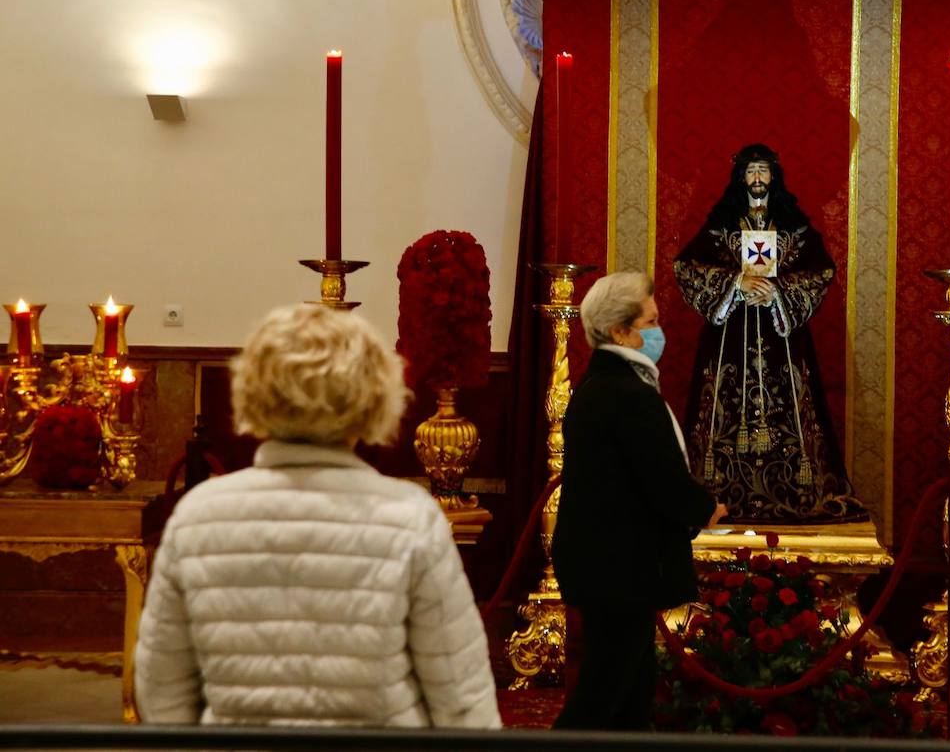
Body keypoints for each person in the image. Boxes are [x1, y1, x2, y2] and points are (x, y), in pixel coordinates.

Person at [134, 303, 501, 728]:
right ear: (372, 396)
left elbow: (162, 689)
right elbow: (459, 693)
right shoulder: (408, 518)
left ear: (254, 391)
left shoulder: (199, 516)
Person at [551, 271, 726, 730]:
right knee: (602, 694)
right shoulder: (628, 394)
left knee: (631, 693)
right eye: (649, 321)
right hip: (620, 568)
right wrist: (705, 510)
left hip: (609, 563)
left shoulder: (601, 386)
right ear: (620, 331)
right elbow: (660, 476)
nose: (658, 331)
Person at [673, 143, 865, 522]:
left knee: (792, 410)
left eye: (763, 171)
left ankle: (795, 492)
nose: (757, 178)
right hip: (730, 337)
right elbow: (686, 267)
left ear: (773, 176)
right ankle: (717, 498)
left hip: (782, 340)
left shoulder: (793, 226)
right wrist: (735, 283)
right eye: (751, 171)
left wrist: (779, 292)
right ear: (740, 177)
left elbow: (821, 272)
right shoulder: (720, 226)